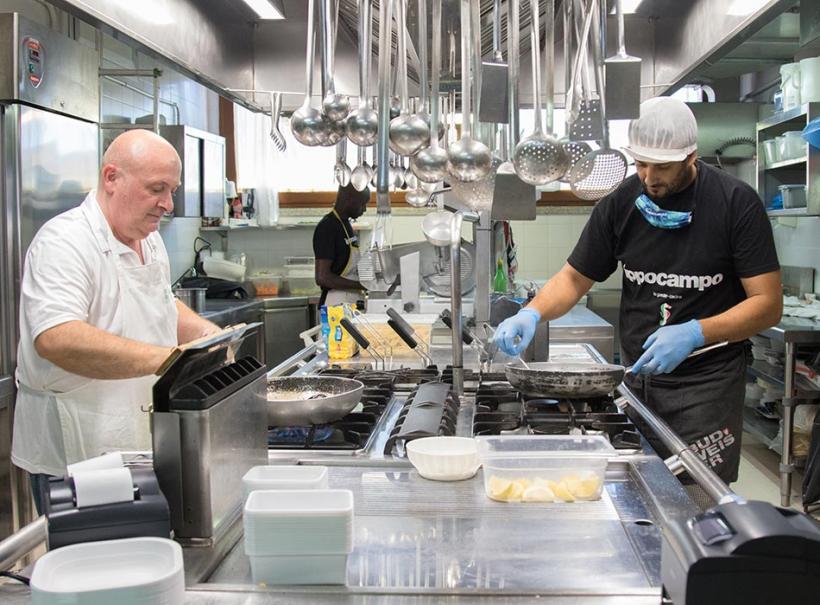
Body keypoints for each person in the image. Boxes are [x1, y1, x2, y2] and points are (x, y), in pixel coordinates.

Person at [494, 97, 782, 485]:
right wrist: (532, 312)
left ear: (691, 156)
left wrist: (696, 332)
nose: (648, 177)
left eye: (662, 167)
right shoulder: (622, 203)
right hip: (639, 379)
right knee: (637, 487)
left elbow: (767, 305)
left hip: (707, 384)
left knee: (697, 498)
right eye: (641, 164)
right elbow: (574, 278)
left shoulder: (735, 204)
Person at [12, 129, 220, 510]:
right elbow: (57, 338)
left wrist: (212, 337)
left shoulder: (148, 237)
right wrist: (171, 360)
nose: (168, 204)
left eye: (172, 190)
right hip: (74, 453)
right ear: (112, 178)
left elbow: (160, 302)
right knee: (90, 563)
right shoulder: (64, 242)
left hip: (136, 439)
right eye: (157, 188)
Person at [312, 183, 370, 307]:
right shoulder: (327, 227)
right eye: (362, 203)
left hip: (349, 301)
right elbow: (322, 277)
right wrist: (362, 285)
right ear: (349, 198)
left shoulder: (345, 225)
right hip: (334, 304)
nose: (364, 209)